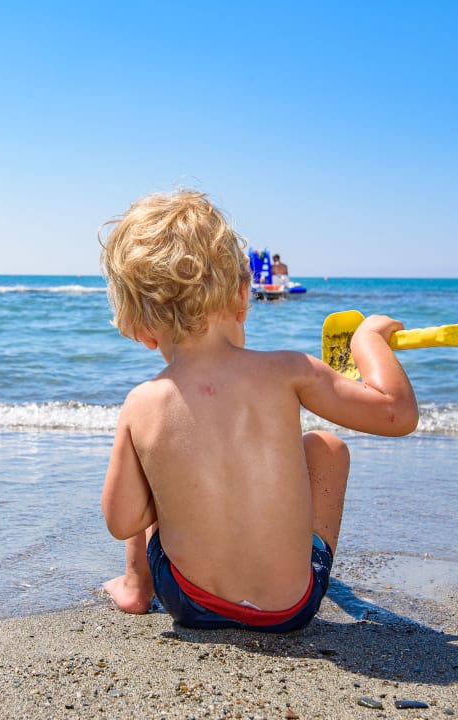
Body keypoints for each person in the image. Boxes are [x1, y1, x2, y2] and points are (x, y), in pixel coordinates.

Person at [98, 190, 418, 633]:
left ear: (142, 330)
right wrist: (369, 342)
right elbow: (398, 414)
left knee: (147, 463)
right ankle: (289, 567)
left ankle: (136, 587)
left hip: (189, 602)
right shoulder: (290, 370)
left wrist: (166, 479)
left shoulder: (142, 402)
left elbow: (121, 521)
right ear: (243, 296)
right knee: (326, 447)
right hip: (289, 610)